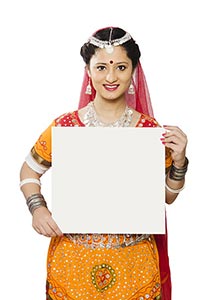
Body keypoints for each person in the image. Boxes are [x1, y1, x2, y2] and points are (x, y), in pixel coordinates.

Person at [19, 27, 188, 300]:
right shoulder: (65, 126)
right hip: (72, 264)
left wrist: (179, 161)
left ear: (133, 70)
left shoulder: (149, 130)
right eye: (101, 67)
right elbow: (29, 170)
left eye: (121, 67)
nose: (111, 77)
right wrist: (37, 209)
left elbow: (167, 197)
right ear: (88, 71)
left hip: (135, 268)